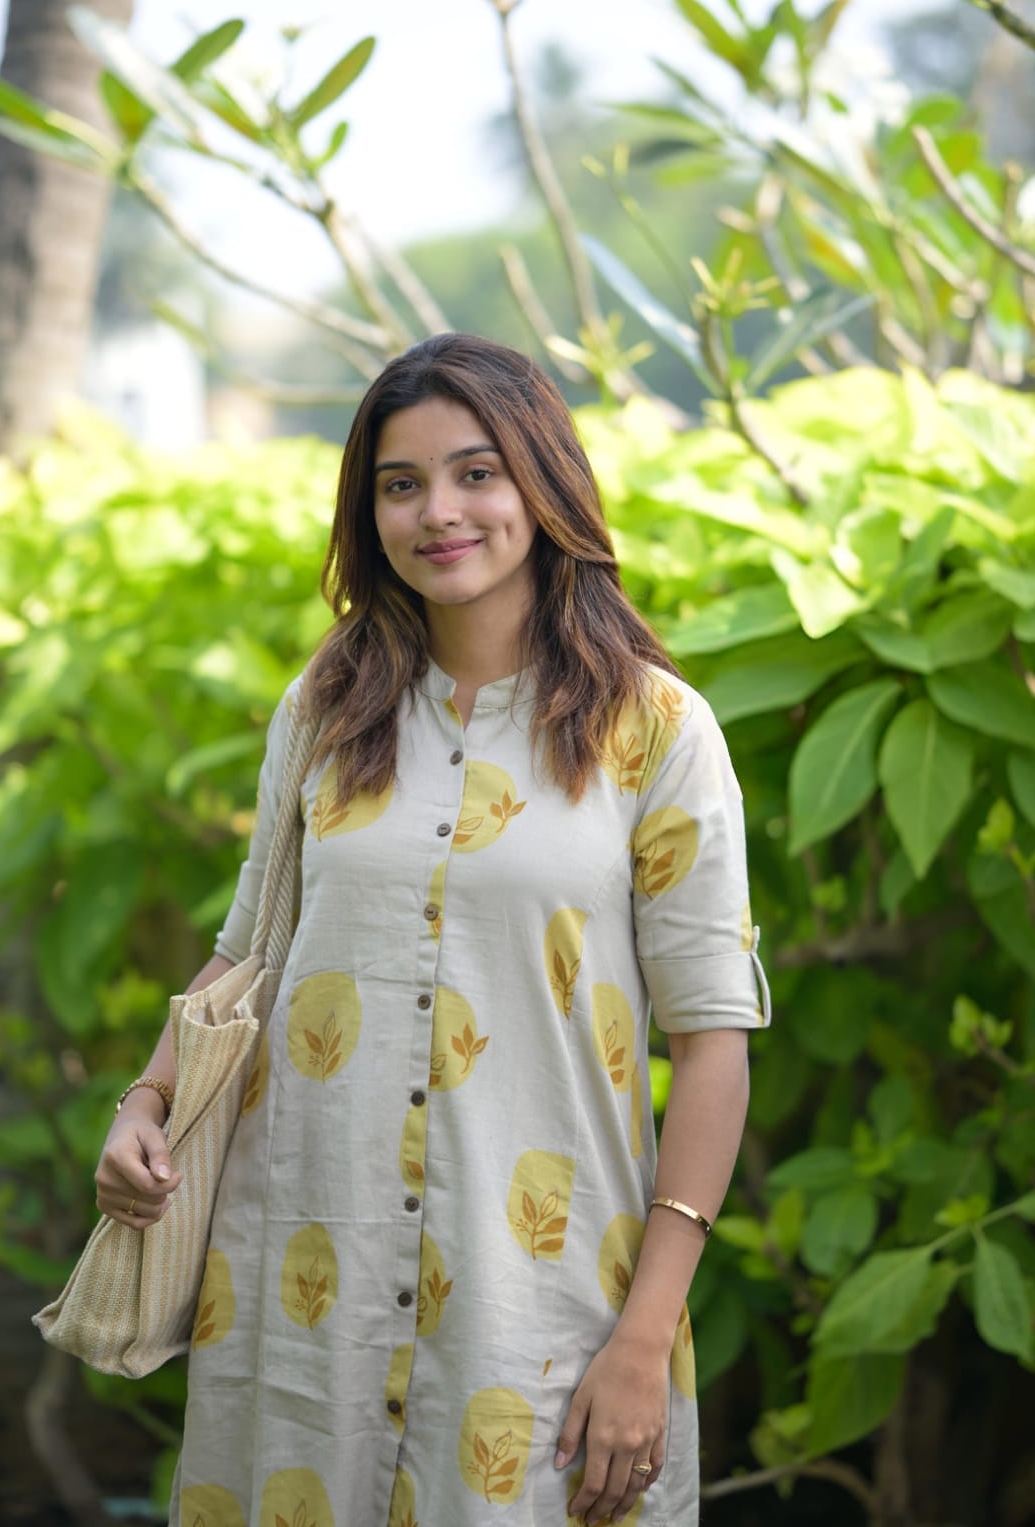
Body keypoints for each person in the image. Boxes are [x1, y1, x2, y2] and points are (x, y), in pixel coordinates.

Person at [94, 333, 770, 1527]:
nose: (437, 513)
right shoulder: (327, 706)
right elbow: (253, 940)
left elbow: (713, 1040)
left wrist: (646, 1332)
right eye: (399, 485)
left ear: (542, 485)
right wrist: (144, 1104)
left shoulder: (657, 730)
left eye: (475, 473)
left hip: (541, 1295)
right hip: (308, 1282)